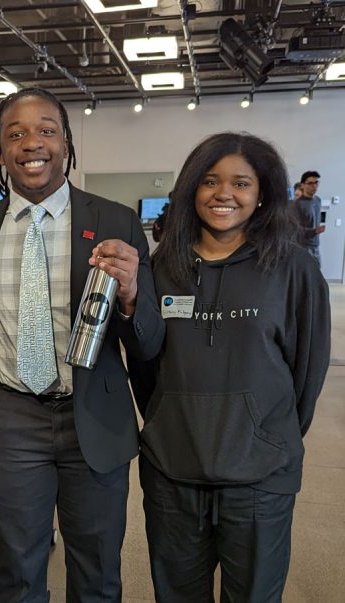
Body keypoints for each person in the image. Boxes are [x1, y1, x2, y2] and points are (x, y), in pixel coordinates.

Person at [0, 87, 164, 601]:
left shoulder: (115, 221)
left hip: (92, 416)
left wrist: (131, 295)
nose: (33, 143)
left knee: (97, 570)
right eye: (16, 133)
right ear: (0, 152)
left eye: (47, 130)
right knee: (14, 568)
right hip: (11, 420)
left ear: (67, 144)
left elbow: (148, 339)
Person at [134, 133, 330, 601]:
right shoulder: (162, 267)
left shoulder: (295, 269)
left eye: (241, 182)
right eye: (209, 181)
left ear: (263, 192)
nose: (224, 193)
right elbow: (145, 366)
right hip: (173, 471)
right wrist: (168, 420)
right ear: (190, 190)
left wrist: (264, 433)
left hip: (261, 477)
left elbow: (307, 372)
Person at [294, 170, 325, 265]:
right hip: (303, 246)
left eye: (316, 182)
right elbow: (295, 229)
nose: (314, 186)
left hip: (316, 246)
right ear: (303, 185)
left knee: (316, 274)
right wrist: (314, 231)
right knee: (304, 277)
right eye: (310, 183)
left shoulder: (318, 200)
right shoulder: (297, 204)